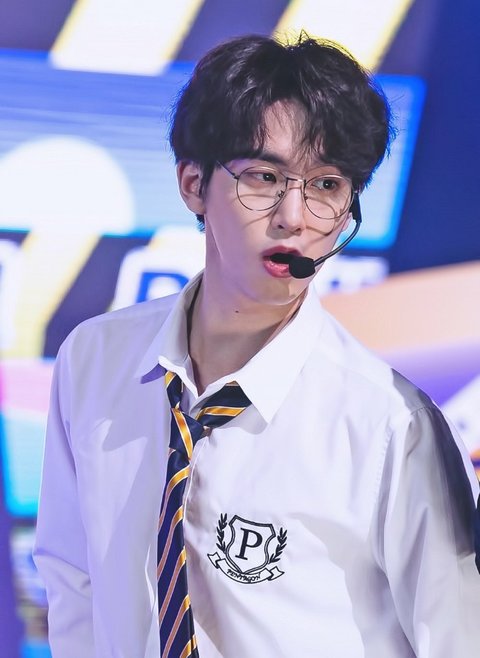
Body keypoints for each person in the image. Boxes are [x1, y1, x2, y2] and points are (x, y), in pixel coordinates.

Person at [33, 33, 480, 658]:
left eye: (327, 186)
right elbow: (74, 583)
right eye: (265, 177)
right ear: (194, 183)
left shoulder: (390, 426)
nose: (295, 217)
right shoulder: (95, 360)